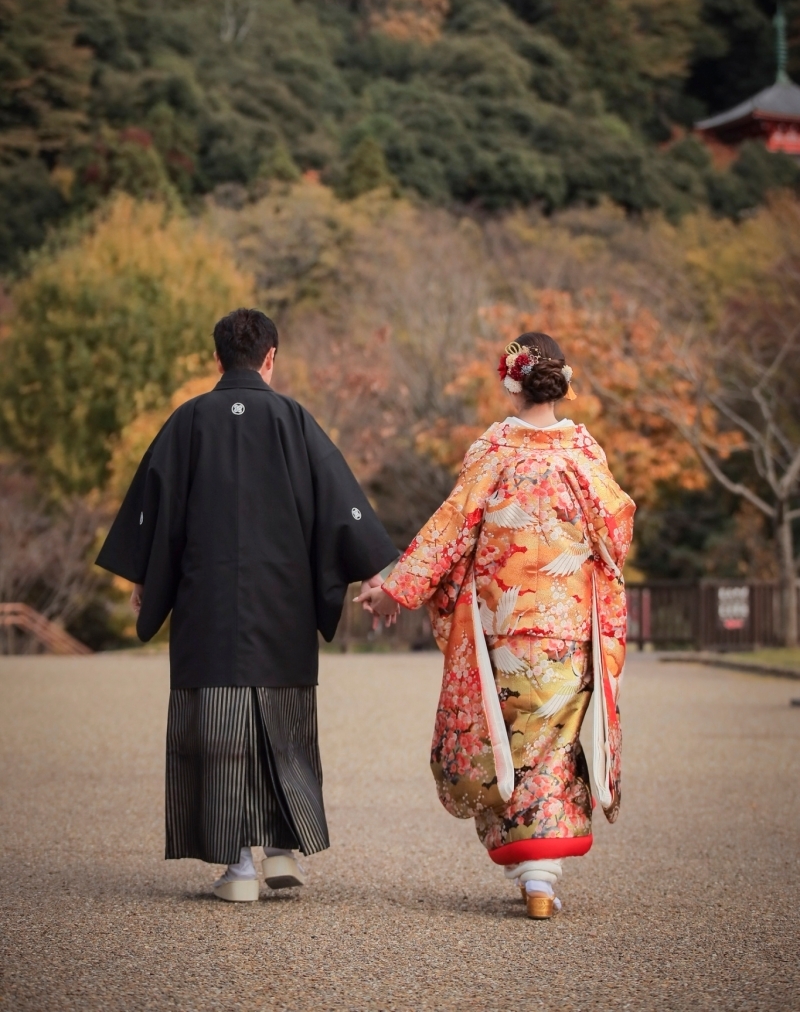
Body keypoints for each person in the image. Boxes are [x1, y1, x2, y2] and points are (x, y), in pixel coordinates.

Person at [97, 308, 398, 902]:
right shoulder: (294, 419)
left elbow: (150, 514)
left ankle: (237, 869)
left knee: (218, 729)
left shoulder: (186, 422)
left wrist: (144, 576)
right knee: (283, 726)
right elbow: (344, 507)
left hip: (205, 602)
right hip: (282, 602)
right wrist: (379, 571)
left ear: (217, 359)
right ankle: (283, 850)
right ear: (271, 358)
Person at [359, 332, 634, 919]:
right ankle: (541, 873)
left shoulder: (494, 451)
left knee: (508, 740)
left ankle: (529, 865)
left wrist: (395, 590)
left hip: (503, 628)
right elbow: (616, 536)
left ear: (511, 384)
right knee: (552, 745)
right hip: (566, 632)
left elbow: (449, 530)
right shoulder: (584, 454)